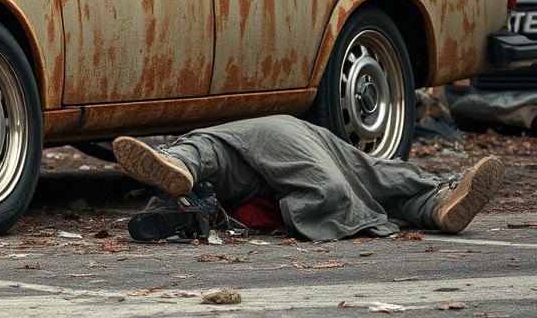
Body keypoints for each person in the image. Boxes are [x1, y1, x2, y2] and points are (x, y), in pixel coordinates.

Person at [112, 114, 504, 241]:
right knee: (370, 178)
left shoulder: (275, 137)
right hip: (250, 164)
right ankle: (437, 204)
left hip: (268, 137)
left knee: (335, 192)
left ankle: (178, 162)